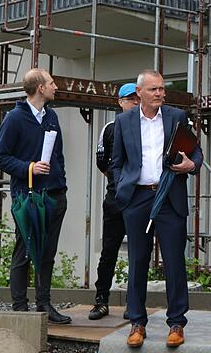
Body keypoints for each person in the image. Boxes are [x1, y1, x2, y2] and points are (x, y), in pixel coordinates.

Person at [111, 70, 203, 348]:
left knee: (175, 261)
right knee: (137, 261)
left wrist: (191, 165)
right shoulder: (124, 120)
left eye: (162, 89)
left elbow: (196, 151)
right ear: (139, 93)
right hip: (136, 199)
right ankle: (137, 322)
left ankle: (177, 322)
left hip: (170, 196)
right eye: (154, 90)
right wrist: (121, 191)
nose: (160, 94)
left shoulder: (176, 116)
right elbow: (116, 162)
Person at [0, 68, 71, 324]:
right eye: (51, 82)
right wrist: (29, 167)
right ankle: (20, 308)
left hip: (55, 196)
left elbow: (57, 154)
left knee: (47, 252)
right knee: (25, 250)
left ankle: (44, 305)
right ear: (40, 88)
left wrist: (61, 182)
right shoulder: (15, 118)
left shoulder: (52, 116)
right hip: (28, 198)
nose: (55, 86)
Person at [88, 83, 140, 320]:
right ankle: (101, 300)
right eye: (130, 99)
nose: (135, 103)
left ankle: (133, 303)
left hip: (140, 200)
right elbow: (102, 163)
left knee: (138, 253)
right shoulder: (110, 128)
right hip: (115, 199)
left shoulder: (147, 126)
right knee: (109, 250)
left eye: (138, 98)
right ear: (120, 102)